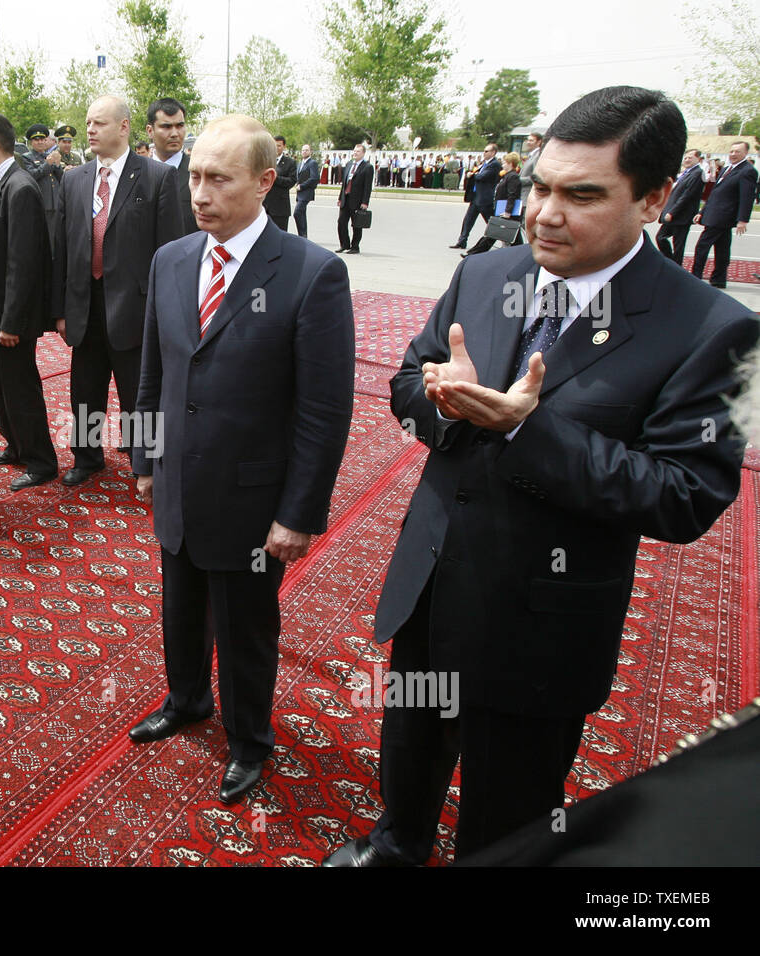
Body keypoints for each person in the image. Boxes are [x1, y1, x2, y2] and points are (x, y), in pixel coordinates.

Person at [323, 86, 759, 867]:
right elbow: (407, 381)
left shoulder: (716, 329)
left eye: (582, 195)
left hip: (541, 628)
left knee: (509, 821)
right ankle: (393, 845)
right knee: (410, 757)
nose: (545, 213)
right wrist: (445, 404)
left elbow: (686, 496)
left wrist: (526, 427)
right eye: (539, 186)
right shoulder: (488, 274)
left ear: (655, 198)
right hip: (430, 585)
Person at [130, 114, 354, 804]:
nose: (199, 192)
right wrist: (144, 455)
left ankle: (250, 739)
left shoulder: (312, 273)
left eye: (217, 179)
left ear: (263, 182)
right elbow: (152, 371)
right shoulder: (171, 259)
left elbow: (324, 409)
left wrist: (299, 513)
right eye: (194, 175)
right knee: (181, 608)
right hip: (177, 483)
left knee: (246, 629)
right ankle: (188, 697)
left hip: (255, 500)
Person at [50, 94, 182, 486]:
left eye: (99, 123)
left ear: (123, 127)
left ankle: (145, 462)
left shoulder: (156, 177)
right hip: (85, 306)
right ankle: (87, 457)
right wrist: (60, 309)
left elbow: (171, 252)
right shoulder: (74, 179)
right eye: (88, 122)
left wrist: (165, 314)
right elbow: (63, 248)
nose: (90, 130)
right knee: (85, 389)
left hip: (137, 309)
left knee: (138, 393)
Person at [0, 113, 59, 490]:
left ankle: (41, 459)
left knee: (21, 386)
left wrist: (11, 321)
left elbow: (23, 264)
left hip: (11, 318)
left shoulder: (20, 188)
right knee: (2, 383)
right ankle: (17, 445)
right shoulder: (0, 184)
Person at [691, 141, 757, 289]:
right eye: (732, 151)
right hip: (715, 214)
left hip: (723, 216)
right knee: (722, 249)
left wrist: (743, 220)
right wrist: (702, 212)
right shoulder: (726, 169)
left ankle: (695, 277)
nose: (733, 154)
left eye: (737, 152)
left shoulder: (748, 171)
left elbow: (747, 197)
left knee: (702, 246)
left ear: (745, 153)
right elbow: (715, 193)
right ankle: (719, 279)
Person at [146, 97, 197, 235]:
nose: (175, 134)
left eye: (180, 126)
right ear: (150, 131)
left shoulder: (197, 176)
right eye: (166, 127)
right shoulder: (136, 176)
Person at [463, 151, 522, 256]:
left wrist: (508, 211)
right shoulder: (508, 176)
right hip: (503, 210)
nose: (503, 165)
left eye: (504, 163)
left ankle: (473, 254)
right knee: (502, 235)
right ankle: (473, 253)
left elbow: (512, 195)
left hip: (507, 212)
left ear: (510, 163)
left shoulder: (513, 177)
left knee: (493, 233)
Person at [655, 150, 705, 265]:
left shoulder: (697, 173)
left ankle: (675, 266)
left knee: (678, 245)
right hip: (673, 213)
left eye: (690, 158)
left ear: (698, 159)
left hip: (682, 215)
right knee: (661, 237)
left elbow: (687, 196)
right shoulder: (685, 173)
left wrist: (672, 212)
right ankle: (670, 262)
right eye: (686, 158)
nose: (687, 160)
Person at [451, 143, 500, 248]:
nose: (484, 153)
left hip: (485, 199)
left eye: (486, 151)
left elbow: (483, 176)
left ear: (493, 152)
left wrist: (472, 175)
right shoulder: (484, 164)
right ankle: (462, 241)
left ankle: (503, 241)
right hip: (476, 197)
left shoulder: (494, 164)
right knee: (468, 220)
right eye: (484, 151)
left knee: (491, 222)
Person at [20, 123, 63, 242]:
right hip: (41, 202)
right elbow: (32, 176)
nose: (40, 142)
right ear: (31, 142)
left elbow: (61, 178)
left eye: (43, 139)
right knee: (43, 238)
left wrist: (58, 165)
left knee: (56, 237)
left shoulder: (50, 156)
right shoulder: (27, 157)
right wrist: (47, 164)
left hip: (55, 202)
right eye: (36, 139)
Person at [336, 143, 372, 254]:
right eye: (354, 151)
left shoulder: (367, 167)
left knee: (356, 224)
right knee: (341, 222)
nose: (355, 153)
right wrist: (340, 197)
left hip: (357, 200)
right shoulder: (349, 164)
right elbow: (344, 184)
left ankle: (355, 246)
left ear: (363, 153)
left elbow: (367, 187)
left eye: (358, 151)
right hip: (346, 198)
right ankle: (344, 244)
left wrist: (365, 202)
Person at [262, 135, 296, 230]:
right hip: (264, 205)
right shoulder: (266, 161)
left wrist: (275, 178)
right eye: (274, 145)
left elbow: (291, 181)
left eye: (279, 146)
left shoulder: (290, 162)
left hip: (280, 208)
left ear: (284, 146)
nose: (276, 148)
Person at [293, 143, 319, 238]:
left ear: (310, 152)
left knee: (297, 212)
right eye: (303, 150)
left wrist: (302, 186)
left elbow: (314, 178)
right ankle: (303, 235)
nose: (304, 152)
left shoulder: (312, 163)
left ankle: (302, 234)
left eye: (306, 150)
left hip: (306, 192)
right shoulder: (300, 163)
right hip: (299, 193)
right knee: (302, 213)